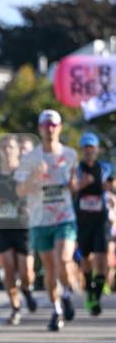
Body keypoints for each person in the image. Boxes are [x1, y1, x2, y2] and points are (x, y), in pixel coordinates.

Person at [15, 109, 78, 332]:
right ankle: (57, 309)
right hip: (40, 220)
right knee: (50, 268)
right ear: (40, 129)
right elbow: (20, 191)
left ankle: (68, 292)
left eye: (54, 125)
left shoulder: (70, 155)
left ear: (59, 127)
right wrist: (34, 176)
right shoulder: (30, 158)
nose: (50, 129)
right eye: (45, 125)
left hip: (64, 217)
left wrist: (74, 184)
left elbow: (74, 185)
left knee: (63, 259)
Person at [0, 134, 36, 325]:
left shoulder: (24, 171)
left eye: (11, 147)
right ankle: (15, 307)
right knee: (8, 267)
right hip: (3, 225)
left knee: (26, 272)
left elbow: (35, 193)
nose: (8, 150)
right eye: (4, 147)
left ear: (18, 150)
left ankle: (27, 290)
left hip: (23, 224)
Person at [74, 131, 111, 316]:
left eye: (92, 147)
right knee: (86, 257)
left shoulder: (105, 167)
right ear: (82, 150)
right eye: (86, 148)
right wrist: (82, 183)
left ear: (96, 149)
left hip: (100, 220)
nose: (89, 151)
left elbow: (113, 184)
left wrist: (110, 187)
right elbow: (71, 187)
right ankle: (89, 287)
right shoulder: (77, 168)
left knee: (102, 257)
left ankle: (97, 292)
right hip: (83, 220)